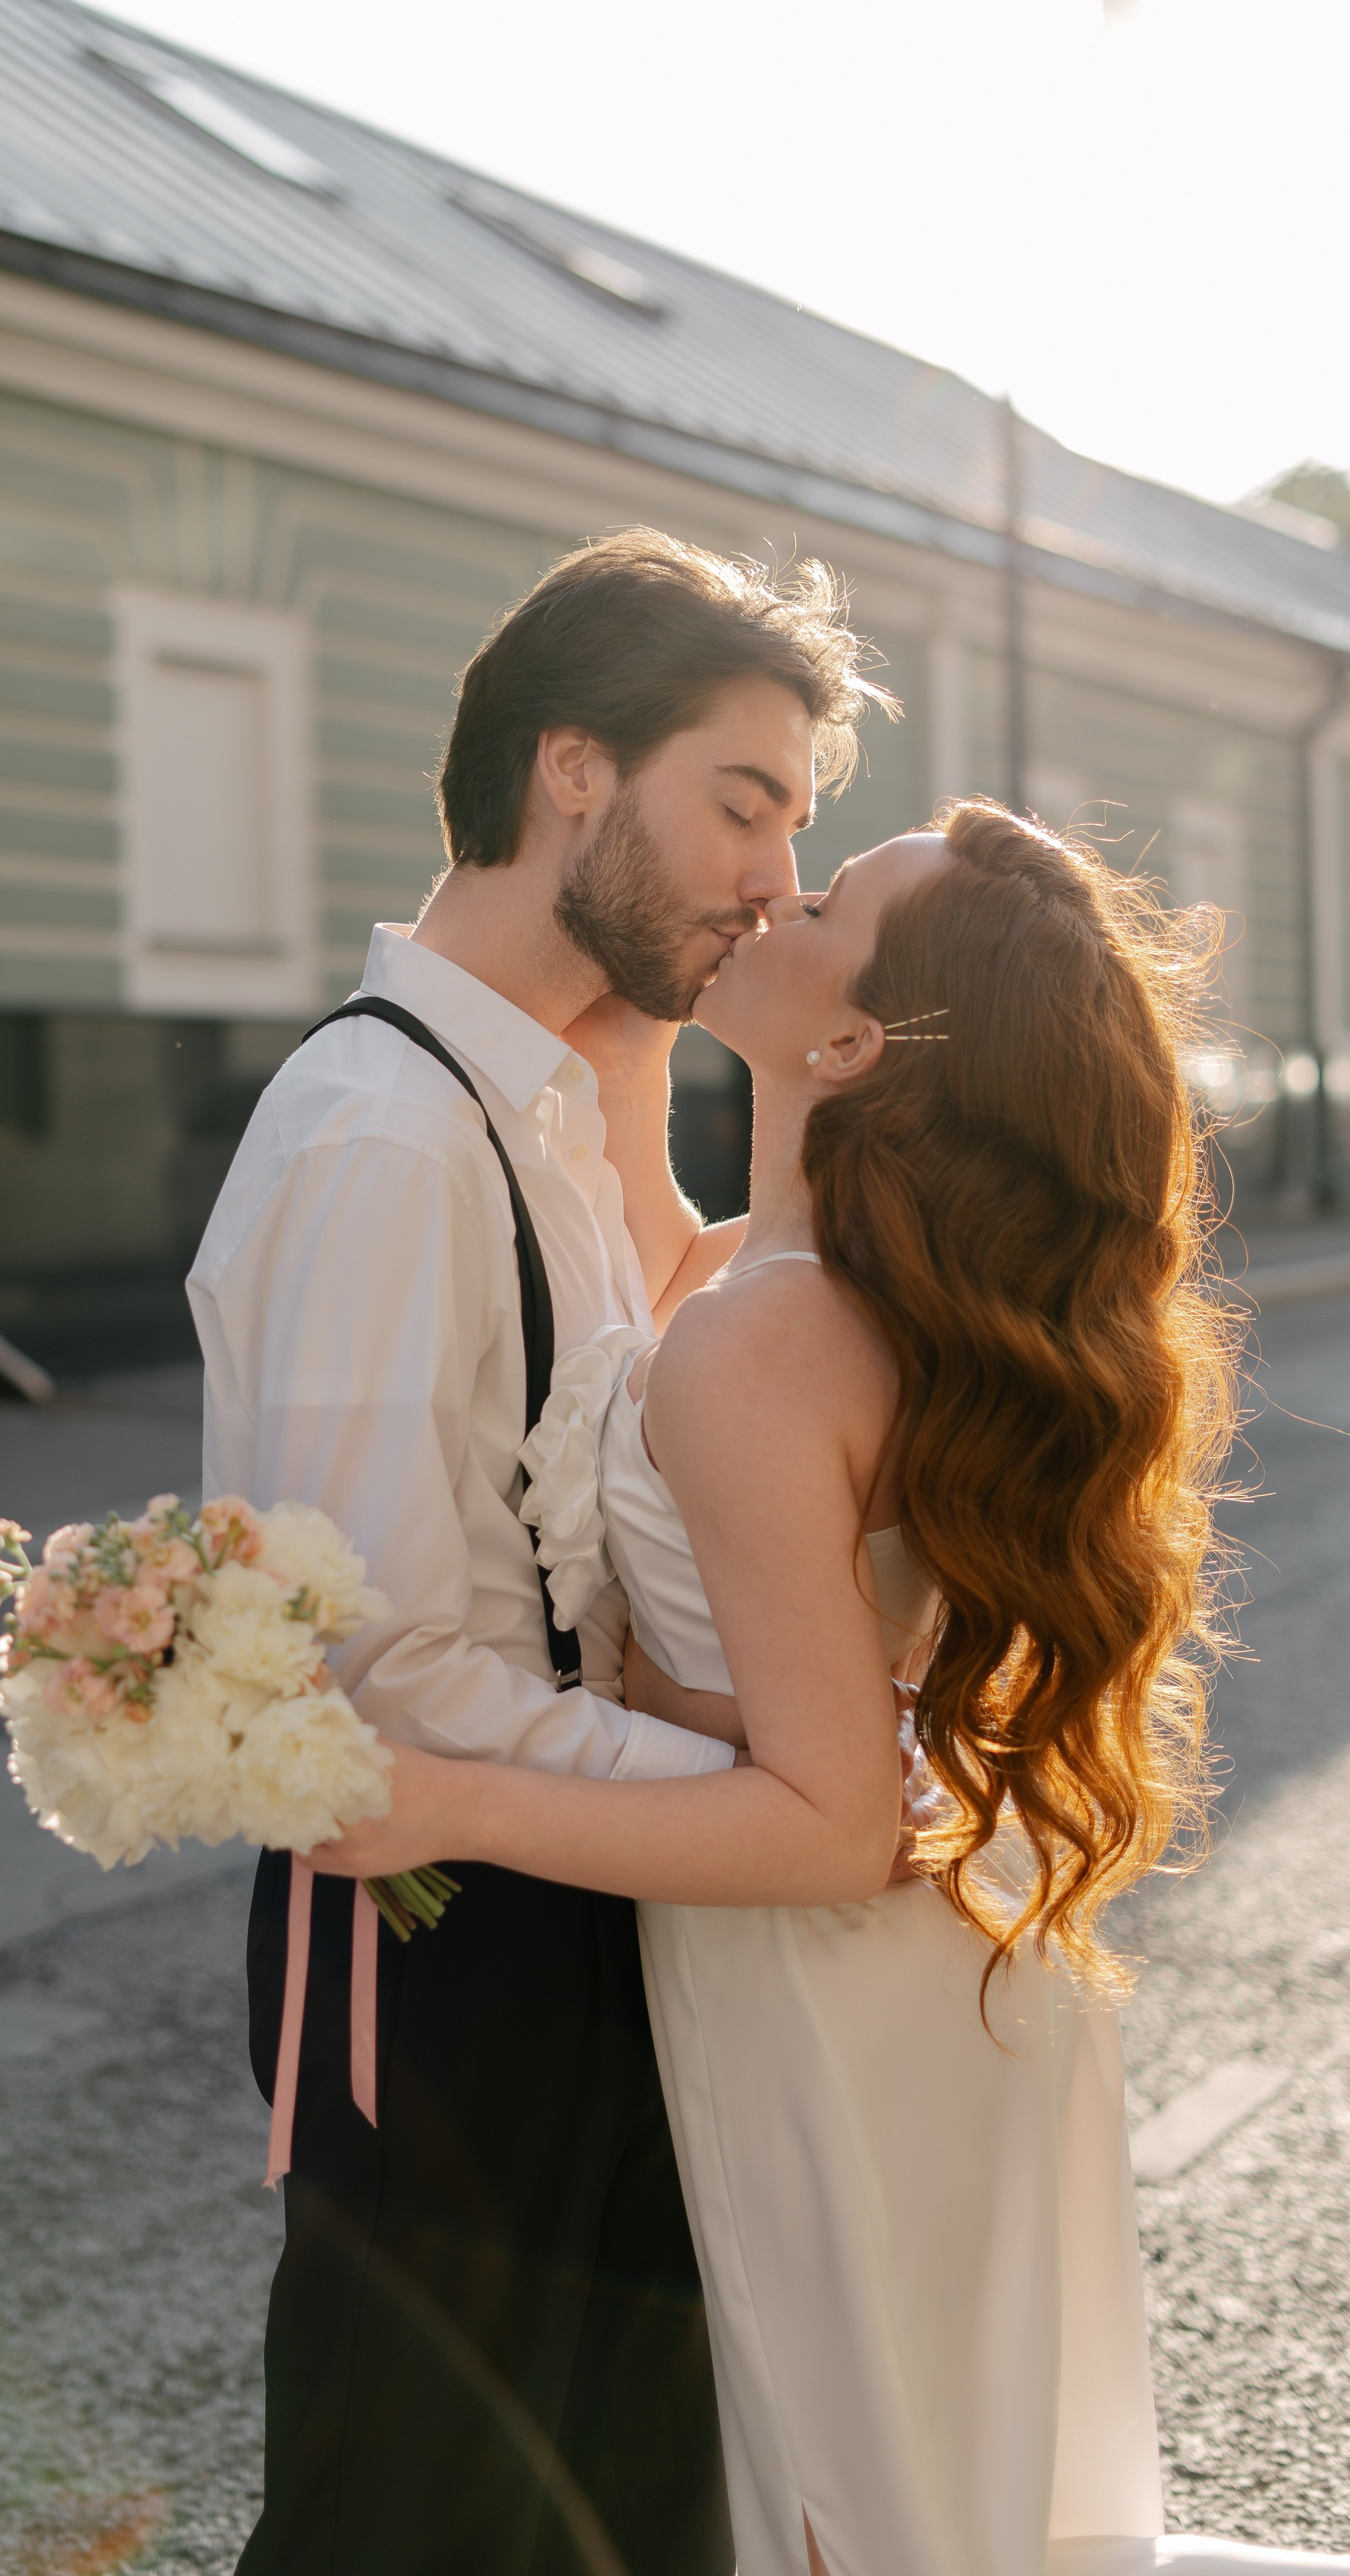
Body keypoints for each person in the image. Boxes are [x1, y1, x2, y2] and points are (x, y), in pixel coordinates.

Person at [315, 800, 1350, 2576]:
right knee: (961, 2484)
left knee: (855, 2498)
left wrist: (443, 1802)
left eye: (826, 890)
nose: (776, 885)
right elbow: (824, 1669)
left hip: (827, 1967)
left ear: (857, 1039)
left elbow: (828, 1822)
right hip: (957, 1943)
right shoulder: (774, 1278)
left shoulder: (766, 1331)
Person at [189, 527, 892, 2576]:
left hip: (564, 1899)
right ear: (571, 773)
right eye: (741, 804)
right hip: (445, 1945)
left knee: (610, 2507)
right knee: (416, 2518)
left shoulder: (544, 1108)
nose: (775, 873)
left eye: (797, 823)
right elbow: (386, 1687)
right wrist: (769, 1800)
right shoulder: (383, 1136)